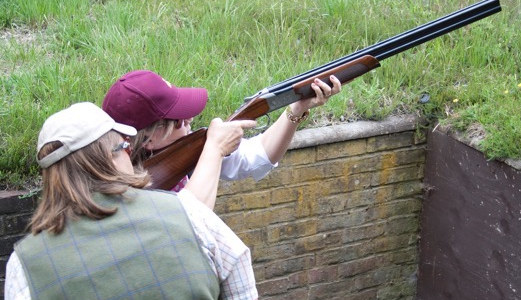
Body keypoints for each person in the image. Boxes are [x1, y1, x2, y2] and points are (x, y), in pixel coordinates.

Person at [4, 102, 258, 300]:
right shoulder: (186, 210)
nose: (131, 154)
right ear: (109, 158)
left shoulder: (24, 265)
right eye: (125, 147)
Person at [101, 69, 341, 207]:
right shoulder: (117, 191)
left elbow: (258, 157)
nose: (190, 120)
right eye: (179, 120)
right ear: (147, 141)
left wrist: (297, 110)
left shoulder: (177, 151)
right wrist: (214, 148)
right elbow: (192, 222)